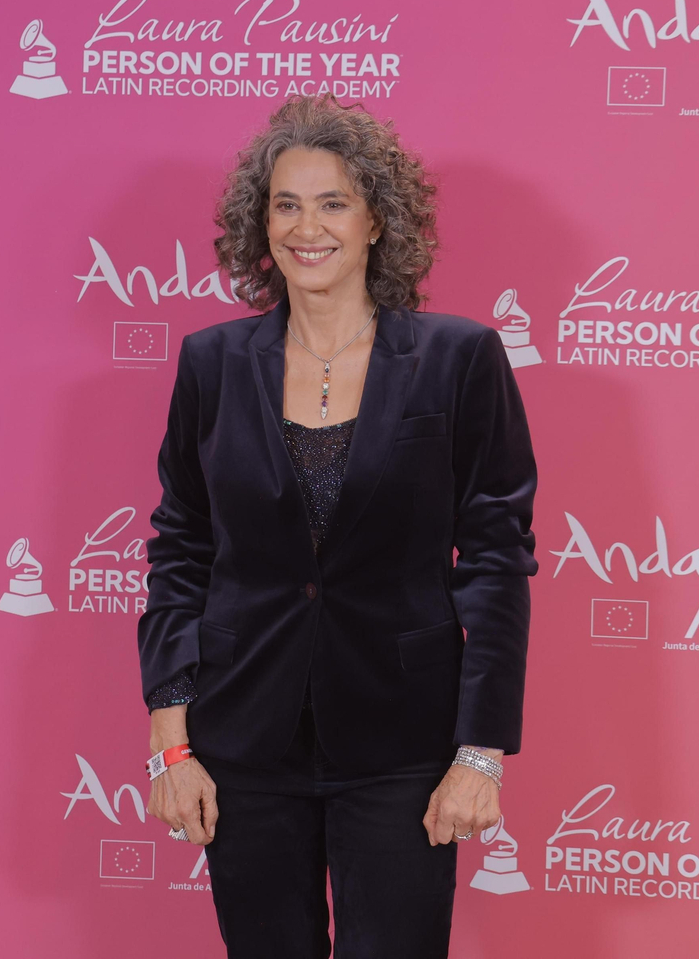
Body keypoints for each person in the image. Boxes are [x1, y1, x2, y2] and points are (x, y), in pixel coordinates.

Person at [137, 94, 538, 958]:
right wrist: (171, 741)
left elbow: (497, 562)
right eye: (286, 204)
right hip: (244, 739)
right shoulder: (211, 363)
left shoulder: (459, 358)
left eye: (333, 203)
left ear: (377, 221)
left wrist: (480, 752)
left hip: (404, 744)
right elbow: (182, 550)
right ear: (261, 223)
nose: (306, 227)